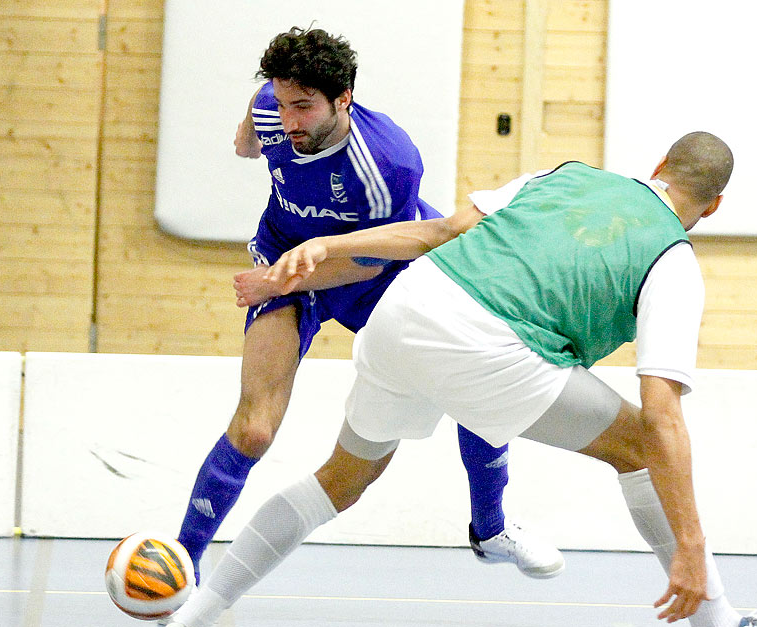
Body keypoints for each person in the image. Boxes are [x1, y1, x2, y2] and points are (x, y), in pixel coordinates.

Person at [155, 132, 757, 627]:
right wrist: (690, 543)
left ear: (654, 167)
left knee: (338, 479)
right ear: (711, 208)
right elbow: (661, 415)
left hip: (405, 311)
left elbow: (441, 230)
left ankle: (188, 625)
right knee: (641, 448)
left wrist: (331, 244)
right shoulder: (672, 260)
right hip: (488, 345)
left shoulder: (564, 174)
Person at [175, 26, 563, 589]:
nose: (288, 121)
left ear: (344, 99)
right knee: (256, 429)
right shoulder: (272, 110)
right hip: (287, 264)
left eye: (303, 107)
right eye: (281, 104)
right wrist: (248, 141)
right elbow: (252, 135)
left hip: (375, 271)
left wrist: (275, 284)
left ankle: (492, 527)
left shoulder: (389, 164)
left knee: (478, 386)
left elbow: (367, 262)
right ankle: (181, 565)